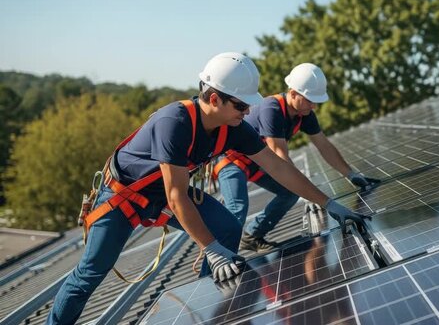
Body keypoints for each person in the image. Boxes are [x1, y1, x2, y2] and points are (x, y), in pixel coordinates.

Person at [47, 53, 368, 325]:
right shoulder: (174, 122)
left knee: (226, 225)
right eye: (242, 106)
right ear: (215, 99)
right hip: (122, 199)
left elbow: (279, 166)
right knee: (90, 275)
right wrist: (211, 250)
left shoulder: (234, 129)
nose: (247, 113)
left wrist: (328, 204)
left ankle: (208, 303)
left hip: (163, 195)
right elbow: (176, 195)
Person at [215, 63, 380, 253]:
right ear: (293, 93)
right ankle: (219, 259)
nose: (314, 105)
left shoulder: (305, 114)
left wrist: (350, 174)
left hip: (259, 164)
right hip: (233, 161)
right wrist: (312, 194)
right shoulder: (272, 108)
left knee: (289, 194)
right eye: (309, 100)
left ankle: (252, 236)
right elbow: (280, 157)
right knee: (237, 209)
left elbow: (324, 145)